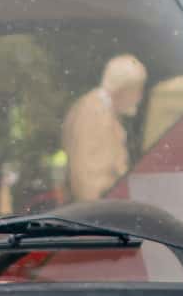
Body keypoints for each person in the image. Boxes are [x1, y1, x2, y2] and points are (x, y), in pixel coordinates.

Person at [60, 53, 148, 202]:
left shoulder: (100, 110)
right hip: (99, 212)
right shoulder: (92, 113)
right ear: (123, 88)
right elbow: (89, 178)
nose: (139, 97)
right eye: (137, 90)